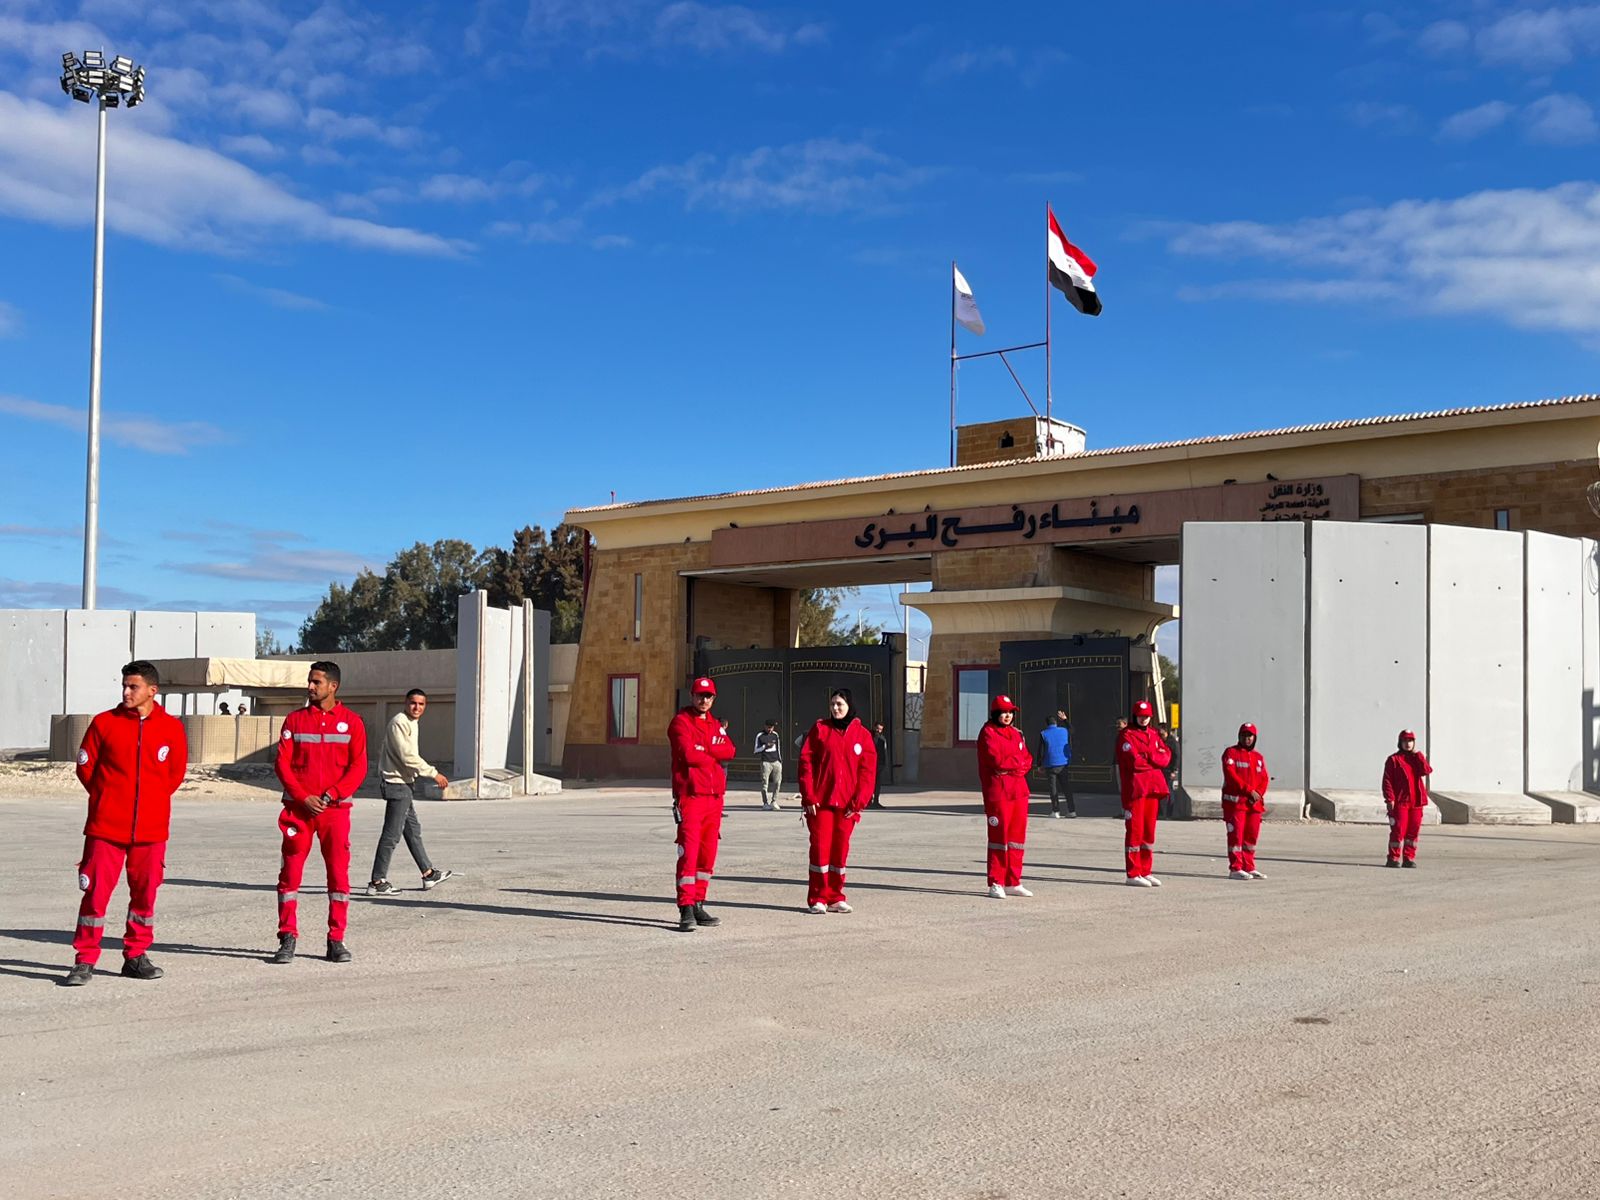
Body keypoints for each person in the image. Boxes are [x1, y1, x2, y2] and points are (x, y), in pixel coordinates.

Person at [62, 661, 188, 986]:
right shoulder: (104, 723)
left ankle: (135, 956)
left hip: (151, 830)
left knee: (145, 896)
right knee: (95, 895)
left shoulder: (171, 728)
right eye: (124, 685)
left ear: (152, 690)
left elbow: (173, 775)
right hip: (106, 828)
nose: (126, 692)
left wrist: (151, 803)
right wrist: (107, 799)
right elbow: (86, 768)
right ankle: (84, 960)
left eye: (133, 686)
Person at [271, 661, 368, 965]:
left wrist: (331, 795)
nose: (310, 687)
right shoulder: (294, 721)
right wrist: (303, 797)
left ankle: (336, 940)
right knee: (290, 875)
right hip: (298, 811)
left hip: (335, 812)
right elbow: (282, 764)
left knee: (338, 875)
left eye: (316, 682)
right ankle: (287, 936)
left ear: (333, 687)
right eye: (309, 682)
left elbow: (359, 767)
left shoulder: (352, 723)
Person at [368, 688, 455, 896]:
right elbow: (407, 756)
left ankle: (428, 873)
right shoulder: (399, 722)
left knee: (412, 831)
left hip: (404, 783)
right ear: (405, 703)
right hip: (396, 784)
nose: (417, 707)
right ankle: (377, 881)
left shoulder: (411, 723)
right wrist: (434, 774)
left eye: (421, 704)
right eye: (413, 703)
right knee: (391, 835)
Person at [798, 689, 877, 913]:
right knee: (820, 851)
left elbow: (867, 771)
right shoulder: (820, 729)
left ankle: (835, 896)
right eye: (832, 704)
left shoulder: (862, 734)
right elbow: (806, 763)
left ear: (849, 706)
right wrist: (808, 796)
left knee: (839, 852)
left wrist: (859, 801)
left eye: (840, 704)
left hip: (848, 807)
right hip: (821, 803)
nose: (835, 708)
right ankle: (818, 898)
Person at [667, 676, 736, 932]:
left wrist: (704, 748)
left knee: (707, 854)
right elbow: (687, 754)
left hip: (714, 799)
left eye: (708, 697)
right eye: (699, 695)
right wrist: (711, 750)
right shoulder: (680, 723)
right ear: (691, 696)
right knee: (689, 853)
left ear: (713, 699)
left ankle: (698, 902)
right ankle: (685, 908)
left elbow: (729, 751)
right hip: (691, 797)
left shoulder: (715, 724)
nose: (703, 700)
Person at [978, 694, 1034, 898]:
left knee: (1017, 838)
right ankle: (996, 881)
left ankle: (1013, 881)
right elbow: (997, 761)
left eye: (1010, 712)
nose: (1008, 716)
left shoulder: (1017, 734)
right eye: (1004, 712)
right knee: (998, 838)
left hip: (1018, 790)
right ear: (995, 713)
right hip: (999, 792)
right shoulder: (988, 733)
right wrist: (1016, 763)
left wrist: (1015, 765)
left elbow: (1027, 759)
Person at [1115, 700, 1171, 887]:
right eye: (1141, 716)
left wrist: (1150, 756)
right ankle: (1133, 873)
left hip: (1152, 789)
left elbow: (1166, 756)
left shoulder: (1154, 734)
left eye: (1147, 717)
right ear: (1135, 716)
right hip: (1136, 790)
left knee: (1149, 833)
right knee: (1135, 832)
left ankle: (1146, 870)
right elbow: (1134, 762)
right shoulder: (1126, 736)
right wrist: (1153, 758)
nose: (1144, 719)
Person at [1220, 723, 1270, 880]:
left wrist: (1258, 794)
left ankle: (1249, 866)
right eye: (1244, 736)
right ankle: (1235, 867)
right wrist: (1249, 791)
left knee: (1251, 837)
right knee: (1236, 836)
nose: (1247, 739)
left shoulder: (1258, 757)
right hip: (1236, 804)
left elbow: (1264, 778)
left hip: (1254, 805)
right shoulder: (1231, 753)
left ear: (1254, 738)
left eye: (1250, 736)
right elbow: (1231, 775)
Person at [1382, 730, 1433, 868]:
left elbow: (1426, 771)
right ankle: (1393, 858)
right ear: (1400, 743)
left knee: (1413, 831)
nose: (1408, 744)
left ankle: (1408, 858)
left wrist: (1418, 755)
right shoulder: (1393, 760)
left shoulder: (1416, 758)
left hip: (1416, 802)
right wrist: (1389, 799)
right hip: (1400, 802)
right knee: (1398, 830)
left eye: (1410, 741)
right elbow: (1387, 781)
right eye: (1405, 741)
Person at [1037, 710, 1074, 818]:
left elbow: (1041, 750)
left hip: (1050, 764)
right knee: (1066, 788)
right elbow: (1072, 730)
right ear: (1056, 723)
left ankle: (1056, 811)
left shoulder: (1044, 733)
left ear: (1047, 724)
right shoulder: (1064, 730)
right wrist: (1065, 720)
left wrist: (1039, 764)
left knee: (1053, 788)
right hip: (1063, 763)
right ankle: (1072, 811)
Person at [753, 718, 783, 810]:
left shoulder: (775, 735)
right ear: (765, 726)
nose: (770, 729)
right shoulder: (760, 735)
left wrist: (779, 760)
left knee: (778, 782)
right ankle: (765, 803)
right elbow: (755, 750)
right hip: (766, 762)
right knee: (765, 783)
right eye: (768, 727)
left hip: (776, 761)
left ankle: (774, 801)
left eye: (772, 727)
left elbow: (778, 748)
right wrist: (765, 746)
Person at [869, 721, 889, 808]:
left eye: (880, 729)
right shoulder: (868, 736)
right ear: (874, 727)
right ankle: (869, 801)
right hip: (869, 764)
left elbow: (884, 752)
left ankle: (876, 801)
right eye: (877, 728)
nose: (878, 730)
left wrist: (884, 764)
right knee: (869, 783)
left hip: (879, 764)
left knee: (877, 784)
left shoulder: (882, 739)